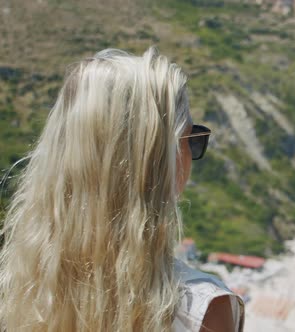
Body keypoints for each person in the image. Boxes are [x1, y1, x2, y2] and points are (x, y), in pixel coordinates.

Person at [0, 47, 244, 332]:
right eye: (191, 138)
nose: (192, 151)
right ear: (158, 159)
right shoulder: (200, 309)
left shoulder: (16, 285)